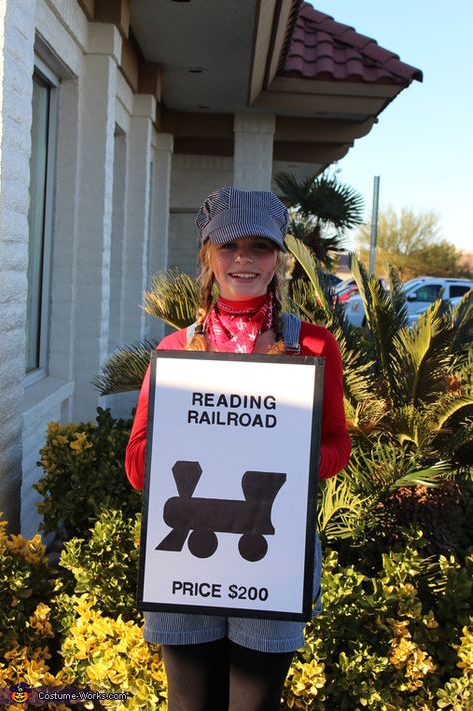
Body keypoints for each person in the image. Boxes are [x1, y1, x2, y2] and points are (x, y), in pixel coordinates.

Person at [125, 186, 351, 711]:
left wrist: (296, 459)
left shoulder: (312, 345)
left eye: (260, 247)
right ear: (207, 255)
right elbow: (137, 463)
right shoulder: (175, 351)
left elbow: (337, 444)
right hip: (184, 563)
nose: (243, 259)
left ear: (280, 260)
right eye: (228, 246)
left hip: (271, 557)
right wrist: (164, 458)